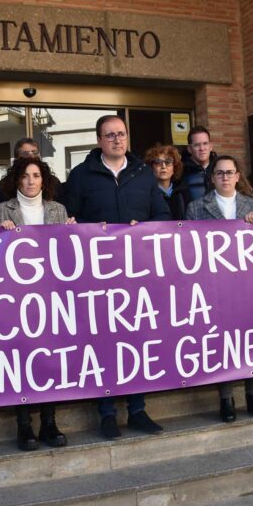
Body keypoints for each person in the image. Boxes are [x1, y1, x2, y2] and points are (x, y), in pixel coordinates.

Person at [64, 114, 170, 440]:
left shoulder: (143, 174)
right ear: (99, 140)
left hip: (137, 274)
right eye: (109, 135)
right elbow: (68, 220)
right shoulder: (81, 176)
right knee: (104, 344)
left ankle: (137, 409)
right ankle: (107, 413)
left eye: (121, 134)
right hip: (97, 277)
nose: (116, 140)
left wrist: (146, 229)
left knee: (136, 342)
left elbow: (163, 215)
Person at [0, 156, 74, 451]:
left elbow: (67, 254)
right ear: (17, 179)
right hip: (16, 297)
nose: (30, 181)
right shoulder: (4, 209)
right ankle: (24, 424)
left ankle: (49, 422)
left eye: (36, 175)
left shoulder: (58, 210)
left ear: (44, 180)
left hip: (51, 295)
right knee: (20, 359)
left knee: (49, 358)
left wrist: (74, 233)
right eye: (25, 176)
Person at [185, 156, 253, 422]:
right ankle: (227, 399)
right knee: (224, 342)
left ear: (237, 176)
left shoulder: (252, 205)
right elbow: (188, 247)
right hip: (216, 286)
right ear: (212, 178)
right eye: (219, 173)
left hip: (249, 285)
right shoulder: (197, 207)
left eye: (229, 172)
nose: (224, 177)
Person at [146, 144, 191, 220]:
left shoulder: (183, 192)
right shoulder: (146, 193)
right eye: (158, 162)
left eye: (168, 162)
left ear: (174, 167)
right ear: (151, 167)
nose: (163, 166)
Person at [182, 126, 216, 201]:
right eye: (197, 145)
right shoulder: (180, 172)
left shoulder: (221, 168)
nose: (202, 148)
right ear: (189, 149)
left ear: (211, 146)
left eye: (205, 143)